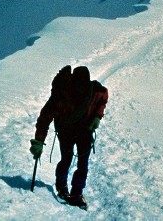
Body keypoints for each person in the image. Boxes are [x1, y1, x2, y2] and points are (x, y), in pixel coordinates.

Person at [30, 65, 108, 209]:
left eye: (84, 87)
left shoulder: (94, 90)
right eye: (79, 86)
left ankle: (76, 193)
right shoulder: (62, 94)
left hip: (85, 129)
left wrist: (97, 116)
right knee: (67, 158)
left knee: (83, 162)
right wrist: (38, 142)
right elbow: (45, 118)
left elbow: (103, 98)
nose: (81, 90)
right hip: (66, 129)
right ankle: (61, 186)